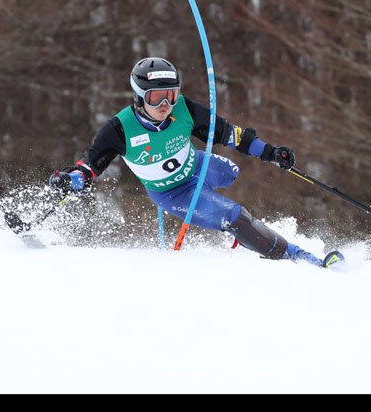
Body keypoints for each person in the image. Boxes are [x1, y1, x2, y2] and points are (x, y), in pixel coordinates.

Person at [48, 57, 327, 267]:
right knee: (235, 217)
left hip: (199, 166)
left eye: (171, 94)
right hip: (173, 192)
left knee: (232, 172)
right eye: (155, 97)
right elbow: (90, 166)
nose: (165, 104)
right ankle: (297, 258)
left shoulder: (185, 109)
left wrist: (271, 152)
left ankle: (240, 232)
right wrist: (70, 180)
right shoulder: (119, 129)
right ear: (138, 96)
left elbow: (230, 134)